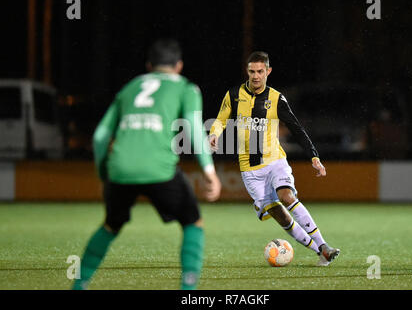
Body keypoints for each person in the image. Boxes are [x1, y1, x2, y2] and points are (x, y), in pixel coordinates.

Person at [72, 39, 221, 290]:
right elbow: (194, 129)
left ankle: (79, 285)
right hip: (159, 169)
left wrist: (103, 173)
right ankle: (188, 289)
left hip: (119, 169)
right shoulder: (186, 88)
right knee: (192, 222)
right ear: (179, 65)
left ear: (149, 65)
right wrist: (209, 171)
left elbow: (99, 137)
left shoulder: (129, 88)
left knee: (110, 225)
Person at [209, 51, 339, 266]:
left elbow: (296, 129)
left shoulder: (276, 98)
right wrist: (214, 133)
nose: (256, 76)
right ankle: (321, 252)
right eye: (252, 71)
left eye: (260, 71)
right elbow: (221, 119)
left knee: (287, 196)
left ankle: (324, 245)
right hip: (250, 170)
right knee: (281, 216)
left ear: (268, 71)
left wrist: (313, 156)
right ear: (247, 71)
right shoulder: (233, 95)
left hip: (274, 161)